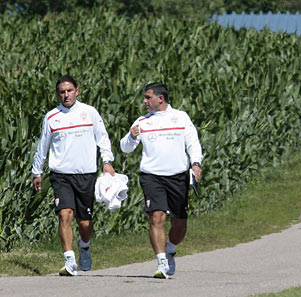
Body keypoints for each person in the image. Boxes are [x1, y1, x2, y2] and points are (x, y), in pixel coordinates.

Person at [32, 75, 116, 276]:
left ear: (77, 91)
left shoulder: (89, 113)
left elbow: (102, 138)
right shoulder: (52, 117)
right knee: (64, 214)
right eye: (62, 92)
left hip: (85, 174)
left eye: (69, 91)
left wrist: (107, 161)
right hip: (61, 175)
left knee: (84, 222)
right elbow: (42, 146)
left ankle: (84, 245)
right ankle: (69, 260)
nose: (66, 95)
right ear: (57, 94)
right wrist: (37, 171)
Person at [120, 82, 203, 279]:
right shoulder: (142, 121)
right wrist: (131, 137)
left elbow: (193, 142)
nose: (145, 101)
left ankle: (171, 250)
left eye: (148, 97)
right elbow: (125, 148)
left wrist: (196, 163)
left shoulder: (180, 117)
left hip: (177, 176)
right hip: (151, 176)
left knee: (180, 224)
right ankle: (161, 262)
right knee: (156, 217)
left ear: (161, 98)